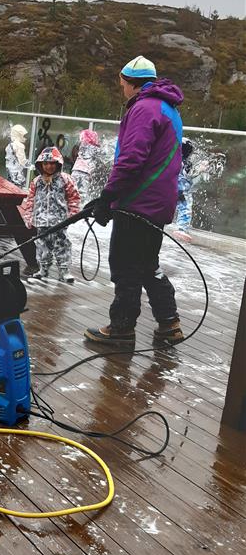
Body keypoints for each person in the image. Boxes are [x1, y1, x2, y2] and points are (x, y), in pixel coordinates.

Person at [85, 56, 184, 348]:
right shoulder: (169, 108)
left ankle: (121, 329)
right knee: (146, 264)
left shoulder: (144, 108)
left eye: (122, 84)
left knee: (126, 264)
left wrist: (108, 196)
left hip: (139, 202)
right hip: (157, 202)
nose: (122, 89)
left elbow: (130, 160)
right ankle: (169, 323)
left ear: (130, 83)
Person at [22, 146, 81, 282]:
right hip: (41, 221)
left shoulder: (65, 179)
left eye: (52, 163)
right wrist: (29, 216)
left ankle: (64, 271)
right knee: (42, 247)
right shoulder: (37, 182)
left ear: (58, 164)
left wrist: (73, 214)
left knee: (62, 245)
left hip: (60, 221)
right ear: (41, 165)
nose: (49, 166)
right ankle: (43, 269)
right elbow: (30, 200)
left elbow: (74, 197)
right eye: (45, 164)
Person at [70, 128, 104, 203]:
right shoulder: (93, 148)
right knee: (83, 193)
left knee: (73, 190)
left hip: (75, 171)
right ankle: (82, 207)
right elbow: (104, 155)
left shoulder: (81, 146)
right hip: (85, 173)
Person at [173, 137, 194, 240]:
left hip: (169, 187)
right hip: (182, 190)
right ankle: (181, 228)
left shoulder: (172, 160)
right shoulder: (187, 164)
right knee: (185, 207)